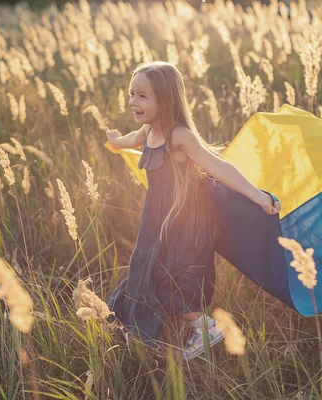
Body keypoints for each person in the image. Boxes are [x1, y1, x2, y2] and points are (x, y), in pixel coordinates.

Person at [103, 61, 281, 360]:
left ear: (167, 99)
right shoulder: (148, 131)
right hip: (157, 219)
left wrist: (259, 196)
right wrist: (114, 141)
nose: (133, 101)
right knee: (148, 271)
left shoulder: (179, 136)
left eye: (143, 96)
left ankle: (208, 328)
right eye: (132, 93)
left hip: (185, 221)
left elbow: (217, 166)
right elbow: (129, 141)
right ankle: (143, 333)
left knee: (174, 276)